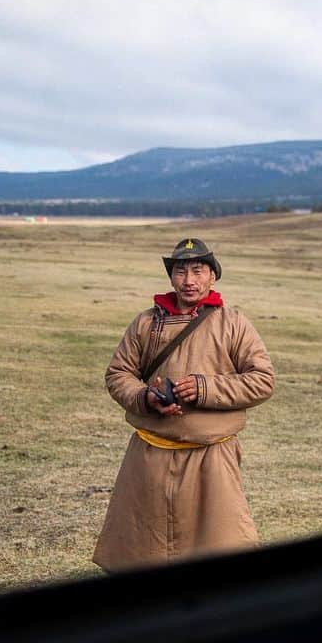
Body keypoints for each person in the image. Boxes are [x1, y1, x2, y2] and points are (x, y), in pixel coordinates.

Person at [92, 237, 275, 572]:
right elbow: (119, 373)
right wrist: (145, 397)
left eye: (197, 270)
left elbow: (262, 380)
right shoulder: (146, 323)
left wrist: (205, 388)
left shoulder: (233, 323)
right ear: (171, 277)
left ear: (212, 276)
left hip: (211, 456)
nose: (189, 280)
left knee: (221, 545)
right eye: (181, 271)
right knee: (142, 546)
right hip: (149, 455)